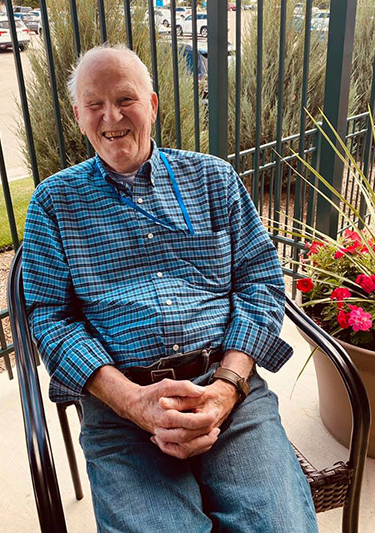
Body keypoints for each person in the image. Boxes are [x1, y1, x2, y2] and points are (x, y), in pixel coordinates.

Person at [22, 43, 318, 532]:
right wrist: (133, 402)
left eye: (125, 99)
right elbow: (50, 320)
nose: (111, 116)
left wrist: (227, 388)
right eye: (94, 104)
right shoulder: (54, 204)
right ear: (78, 116)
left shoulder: (214, 180)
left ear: (153, 105)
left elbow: (260, 282)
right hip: (122, 409)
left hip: (227, 389)